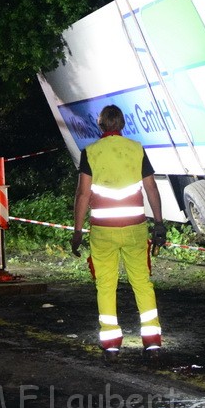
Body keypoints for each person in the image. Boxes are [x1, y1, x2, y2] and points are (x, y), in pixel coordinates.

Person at [71, 104, 168, 362]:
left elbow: (83, 194)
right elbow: (151, 189)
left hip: (103, 231)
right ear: (122, 125)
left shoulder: (90, 152)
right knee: (142, 283)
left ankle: (111, 343)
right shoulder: (136, 149)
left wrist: (78, 230)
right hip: (135, 229)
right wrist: (159, 223)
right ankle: (152, 342)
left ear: (100, 125)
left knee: (106, 285)